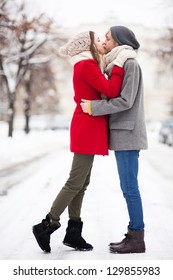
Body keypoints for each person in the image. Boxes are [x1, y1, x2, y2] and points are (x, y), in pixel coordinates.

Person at [32, 31, 136, 253]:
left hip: (88, 128)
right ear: (87, 45)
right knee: (74, 182)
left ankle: (73, 232)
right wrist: (118, 64)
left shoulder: (88, 65)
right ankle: (46, 225)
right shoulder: (86, 66)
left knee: (82, 183)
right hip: (87, 129)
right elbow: (111, 90)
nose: (101, 42)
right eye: (97, 40)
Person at [81, 26, 148, 254]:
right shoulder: (117, 64)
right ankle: (133, 234)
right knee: (128, 187)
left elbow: (126, 101)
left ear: (118, 41)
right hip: (123, 132)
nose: (105, 42)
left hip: (128, 134)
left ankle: (137, 238)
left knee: (130, 188)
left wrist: (93, 107)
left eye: (108, 38)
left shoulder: (130, 64)